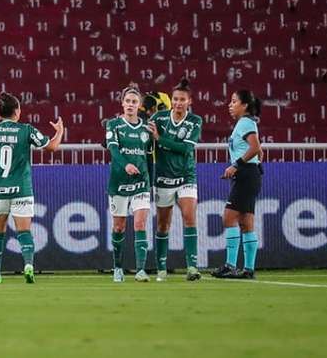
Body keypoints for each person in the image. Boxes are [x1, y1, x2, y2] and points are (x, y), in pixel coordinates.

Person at [0, 92, 64, 284]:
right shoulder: (26, 130)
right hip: (21, 188)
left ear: (0, 113)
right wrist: (60, 131)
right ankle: (28, 264)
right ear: (17, 111)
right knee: (24, 232)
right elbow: (52, 147)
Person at [146, 79, 203, 281]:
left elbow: (186, 149)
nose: (178, 103)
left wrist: (161, 140)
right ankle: (161, 268)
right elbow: (144, 135)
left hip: (186, 176)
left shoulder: (195, 121)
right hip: (163, 177)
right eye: (175, 99)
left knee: (189, 217)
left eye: (182, 100)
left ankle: (192, 268)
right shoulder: (159, 118)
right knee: (163, 224)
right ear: (171, 100)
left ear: (189, 101)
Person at [103, 85, 154, 282]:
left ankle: (141, 270)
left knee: (140, 224)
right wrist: (126, 165)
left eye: (134, 102)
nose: (131, 105)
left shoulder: (146, 127)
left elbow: (149, 156)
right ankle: (117, 267)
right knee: (119, 227)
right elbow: (114, 151)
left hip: (141, 182)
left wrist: (151, 178)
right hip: (119, 182)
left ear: (139, 105)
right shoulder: (113, 125)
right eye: (128, 101)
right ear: (122, 103)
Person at [212, 90, 264, 280]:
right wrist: (254, 163)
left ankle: (230, 265)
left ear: (245, 105)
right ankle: (248, 269)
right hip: (250, 174)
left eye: (234, 101)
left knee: (229, 217)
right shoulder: (248, 123)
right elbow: (259, 150)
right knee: (245, 222)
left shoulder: (244, 123)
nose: (230, 105)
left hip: (245, 174)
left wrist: (237, 165)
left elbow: (255, 147)